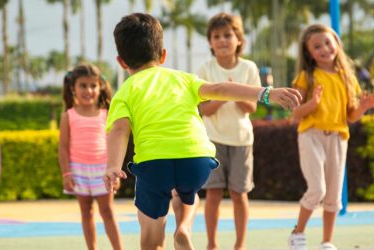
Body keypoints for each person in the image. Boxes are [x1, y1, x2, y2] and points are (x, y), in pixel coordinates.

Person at [103, 13, 301, 250]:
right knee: (187, 194)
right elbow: (219, 88)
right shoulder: (183, 79)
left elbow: (119, 130)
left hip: (154, 163)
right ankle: (184, 227)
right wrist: (265, 93)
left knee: (151, 229)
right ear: (163, 55)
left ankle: (156, 242)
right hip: (195, 159)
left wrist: (113, 167)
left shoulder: (124, 92)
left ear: (121, 62)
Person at [289, 24, 374, 250]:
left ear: (337, 44)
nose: (324, 48)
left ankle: (326, 242)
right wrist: (312, 103)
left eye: (328, 43)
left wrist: (364, 107)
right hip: (311, 135)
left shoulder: (347, 78)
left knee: (333, 194)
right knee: (317, 189)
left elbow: (351, 116)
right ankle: (297, 233)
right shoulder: (306, 77)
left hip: (338, 138)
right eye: (317, 46)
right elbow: (296, 114)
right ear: (309, 53)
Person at [197, 12, 259, 250]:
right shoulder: (205, 69)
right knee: (213, 194)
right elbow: (205, 109)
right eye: (216, 36)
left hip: (242, 141)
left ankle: (239, 244)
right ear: (210, 42)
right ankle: (212, 243)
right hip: (212, 141)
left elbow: (251, 106)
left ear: (239, 39)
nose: (222, 40)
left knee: (239, 194)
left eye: (227, 35)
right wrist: (224, 94)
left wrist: (234, 92)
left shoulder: (249, 68)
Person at [58, 64, 123, 250]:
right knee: (86, 212)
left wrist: (114, 171)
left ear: (100, 86)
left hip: (103, 169)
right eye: (83, 85)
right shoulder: (68, 116)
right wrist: (66, 174)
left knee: (107, 212)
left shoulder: (106, 114)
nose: (88, 90)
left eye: (93, 86)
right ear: (73, 88)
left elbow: (114, 144)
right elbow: (63, 148)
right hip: (78, 171)